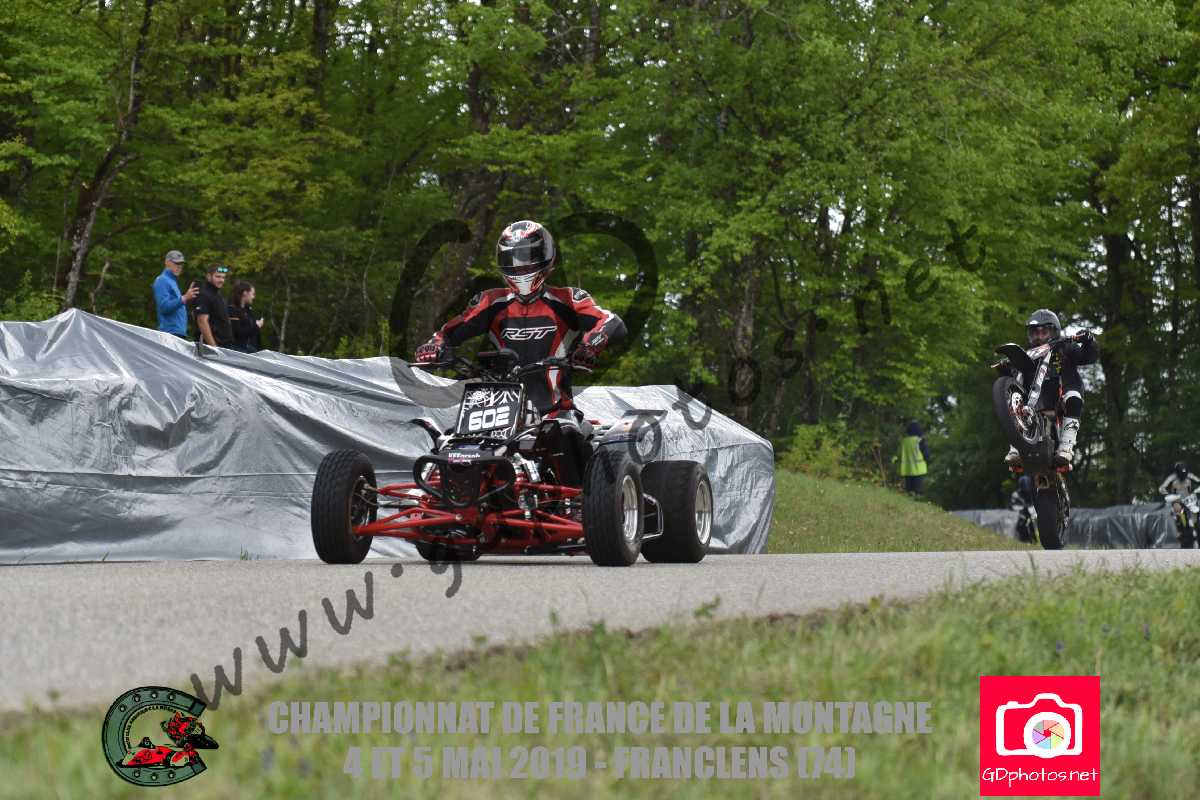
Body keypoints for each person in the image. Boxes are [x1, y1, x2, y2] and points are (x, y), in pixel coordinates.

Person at [414, 219, 626, 415]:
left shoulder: (568, 299)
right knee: (450, 439)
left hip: (557, 412)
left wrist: (589, 347)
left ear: (545, 257)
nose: (519, 266)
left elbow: (611, 321)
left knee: (563, 436)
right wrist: (434, 346)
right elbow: (447, 333)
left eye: (526, 258)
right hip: (500, 413)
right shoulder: (490, 301)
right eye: (512, 258)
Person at [1004, 309, 1097, 469]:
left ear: (1054, 332)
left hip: (1063, 395)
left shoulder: (1066, 347)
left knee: (1074, 397)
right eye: (1035, 333)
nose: (1039, 337)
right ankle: (1015, 449)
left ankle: (1066, 447)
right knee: (1013, 400)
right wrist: (1007, 366)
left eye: (1044, 332)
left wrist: (1089, 341)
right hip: (1033, 402)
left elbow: (1088, 357)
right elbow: (1010, 378)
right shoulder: (1026, 354)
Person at [152, 250, 199, 338]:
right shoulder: (162, 280)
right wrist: (184, 298)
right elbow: (164, 307)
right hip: (169, 333)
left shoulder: (172, 281)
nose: (179, 266)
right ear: (167, 263)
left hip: (177, 333)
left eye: (181, 264)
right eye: (176, 263)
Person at [1159, 462, 1200, 549]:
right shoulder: (1171, 478)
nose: (1183, 477)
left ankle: (1196, 528)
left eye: (1184, 475)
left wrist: (1196, 490)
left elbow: (1198, 482)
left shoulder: (1190, 476)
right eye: (1181, 475)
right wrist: (1169, 495)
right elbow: (1161, 488)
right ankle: (1181, 529)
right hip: (1177, 500)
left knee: (1196, 517)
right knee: (1180, 513)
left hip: (1189, 499)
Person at [193, 264, 234, 348]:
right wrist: (214, 347)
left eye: (223, 277)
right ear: (209, 277)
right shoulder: (204, 295)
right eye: (218, 277)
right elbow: (202, 321)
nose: (221, 280)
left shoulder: (218, 296)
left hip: (224, 346)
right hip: (210, 348)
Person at [228, 280, 263, 353]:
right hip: (237, 350)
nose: (253, 297)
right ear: (245, 293)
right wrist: (256, 326)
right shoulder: (232, 309)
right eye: (252, 294)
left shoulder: (247, 310)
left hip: (248, 348)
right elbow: (238, 333)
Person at [897, 421, 931, 496]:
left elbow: (899, 455)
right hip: (919, 471)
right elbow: (926, 455)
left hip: (907, 470)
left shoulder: (904, 442)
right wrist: (928, 461)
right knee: (918, 492)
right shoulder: (920, 441)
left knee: (909, 492)